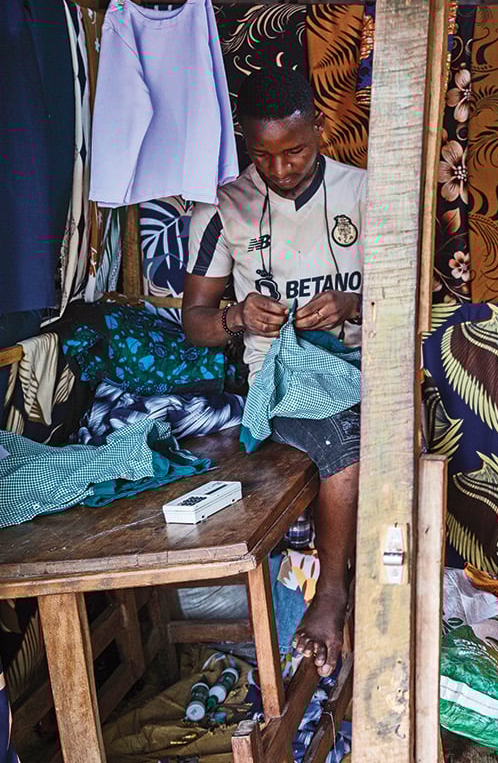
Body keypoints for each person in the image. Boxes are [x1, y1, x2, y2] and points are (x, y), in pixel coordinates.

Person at [183, 67, 362, 677]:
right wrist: (236, 316)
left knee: (362, 414)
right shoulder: (224, 210)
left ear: (320, 127)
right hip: (279, 382)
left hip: (364, 366)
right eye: (263, 156)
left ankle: (347, 589)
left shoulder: (366, 192)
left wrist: (352, 305)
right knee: (344, 437)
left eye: (296, 152)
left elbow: (414, 293)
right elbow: (196, 323)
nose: (280, 169)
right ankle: (330, 593)